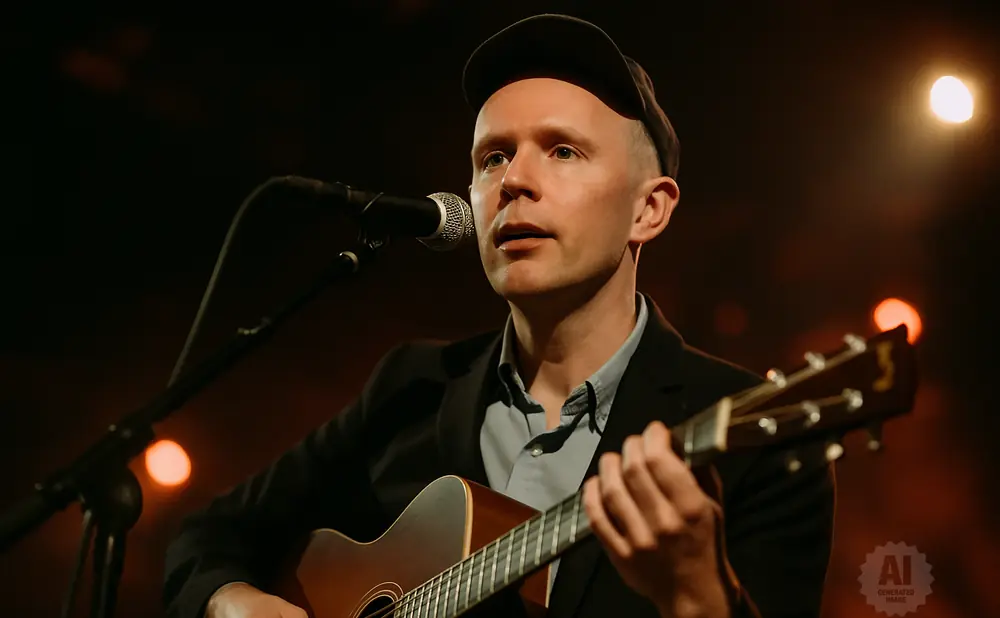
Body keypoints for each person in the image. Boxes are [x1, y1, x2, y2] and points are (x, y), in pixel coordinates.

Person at [162, 13, 835, 618]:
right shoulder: (413, 387)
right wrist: (234, 602)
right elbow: (205, 540)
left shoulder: (762, 440)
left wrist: (695, 595)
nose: (513, 180)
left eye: (563, 150)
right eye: (493, 157)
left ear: (648, 209)